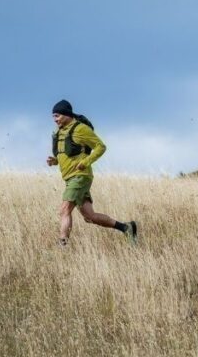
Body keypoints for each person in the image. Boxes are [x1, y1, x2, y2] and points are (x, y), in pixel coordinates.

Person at [46, 99, 137, 247]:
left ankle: (62, 245)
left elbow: (101, 146)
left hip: (80, 177)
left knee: (64, 209)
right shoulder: (60, 132)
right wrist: (55, 161)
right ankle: (126, 228)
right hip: (69, 178)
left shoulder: (81, 129)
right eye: (53, 117)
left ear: (66, 114)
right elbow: (69, 153)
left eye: (57, 116)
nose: (55, 120)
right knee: (90, 217)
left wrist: (86, 162)